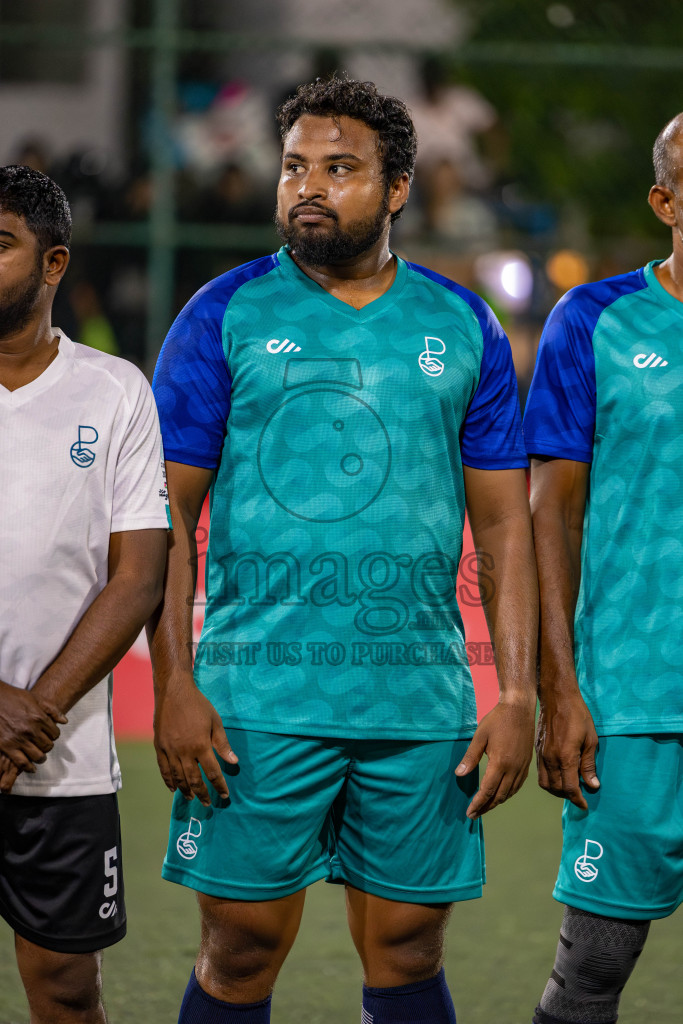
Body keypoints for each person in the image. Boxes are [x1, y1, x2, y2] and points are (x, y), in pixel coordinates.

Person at [150, 76, 538, 1024]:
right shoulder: (222, 314)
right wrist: (173, 681)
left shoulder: (462, 325)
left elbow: (501, 528)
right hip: (256, 696)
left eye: (339, 168)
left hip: (418, 701)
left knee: (406, 953)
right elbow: (159, 520)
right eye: (293, 167)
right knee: (238, 953)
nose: (308, 187)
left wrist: (518, 692)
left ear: (397, 188)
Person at [0, 165, 170, 1024]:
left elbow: (138, 576)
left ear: (54, 262)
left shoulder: (114, 391)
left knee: (66, 990)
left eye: (0, 245)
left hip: (57, 760)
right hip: (24, 730)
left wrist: (31, 716)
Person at [523, 114, 683, 1024]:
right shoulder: (593, 320)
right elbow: (553, 516)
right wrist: (560, 689)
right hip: (632, 700)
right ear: (664, 201)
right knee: (591, 974)